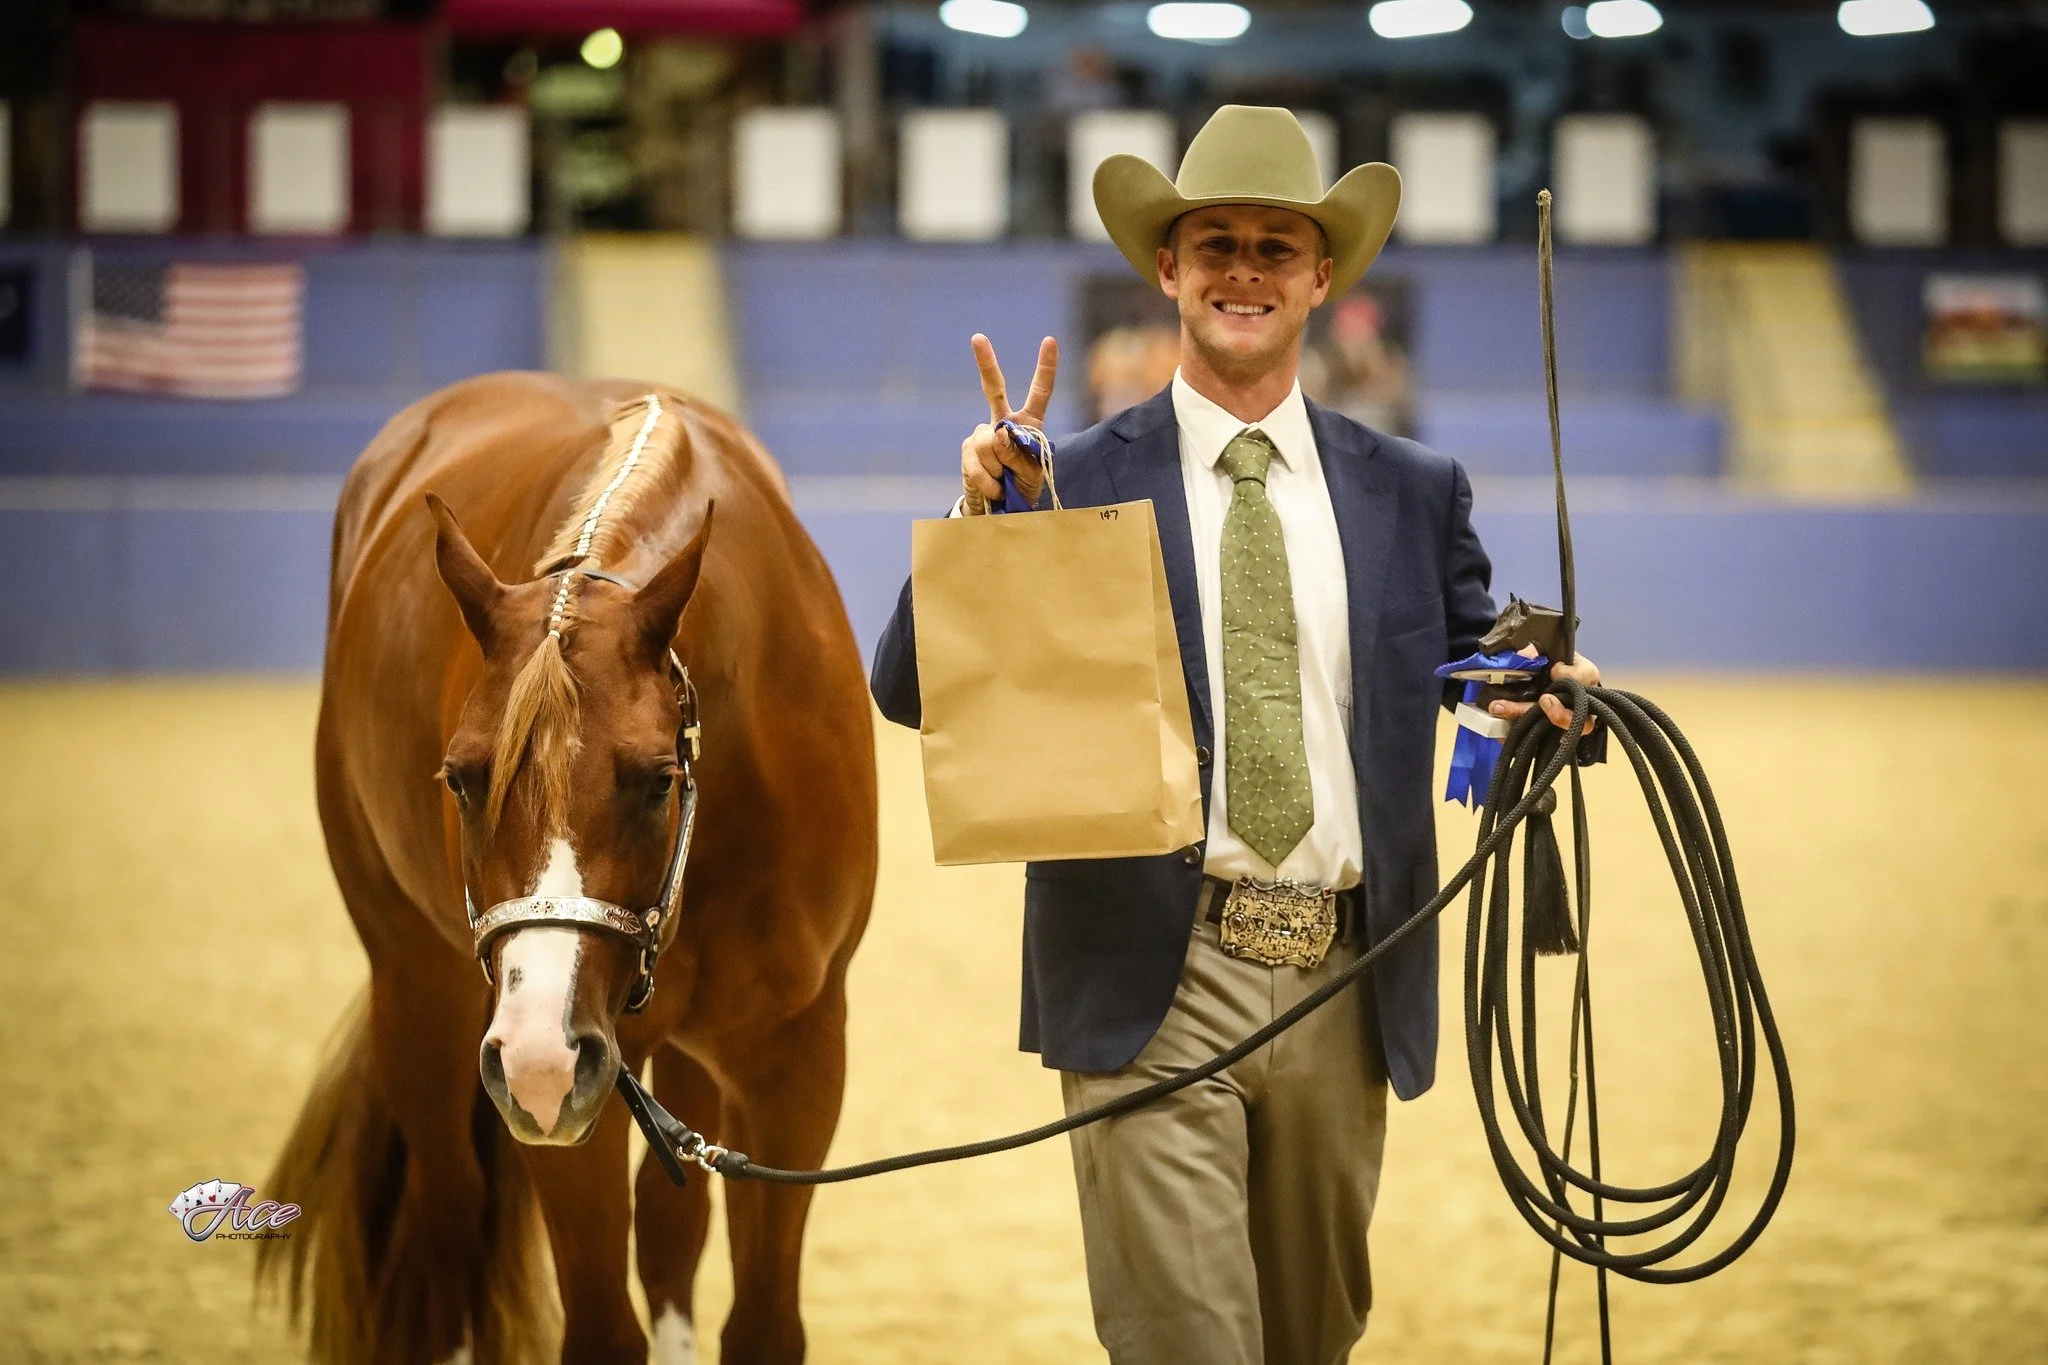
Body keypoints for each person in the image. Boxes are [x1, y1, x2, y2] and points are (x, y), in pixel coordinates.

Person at [869, 105, 1600, 1364]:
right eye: (1215, 244)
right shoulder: (1071, 477)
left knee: (1309, 1340)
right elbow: (911, 689)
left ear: (1323, 277)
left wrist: (1551, 697)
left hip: (1344, 974)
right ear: (1167, 270)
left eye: (1277, 246)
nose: (1244, 272)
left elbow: (1478, 682)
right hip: (1151, 976)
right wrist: (983, 519)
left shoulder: (1412, 492)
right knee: (1189, 1347)